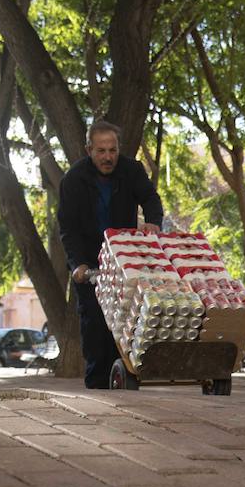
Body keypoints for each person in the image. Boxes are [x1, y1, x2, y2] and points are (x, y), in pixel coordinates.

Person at [57, 120, 164, 388]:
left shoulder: (132, 170)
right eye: (101, 151)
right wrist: (77, 264)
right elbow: (68, 228)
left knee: (127, 321)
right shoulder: (73, 180)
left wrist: (153, 222)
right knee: (94, 323)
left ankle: (127, 378)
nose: (108, 157)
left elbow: (150, 199)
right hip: (90, 263)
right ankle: (97, 387)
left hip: (124, 259)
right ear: (89, 150)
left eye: (112, 150)